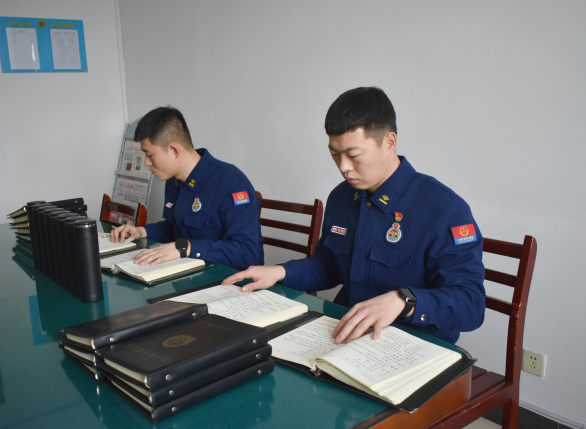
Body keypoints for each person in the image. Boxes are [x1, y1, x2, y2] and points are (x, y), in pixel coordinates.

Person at [224, 87, 485, 344]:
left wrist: (404, 301)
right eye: (334, 155)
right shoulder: (341, 197)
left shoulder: (443, 208)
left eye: (353, 155)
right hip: (346, 331)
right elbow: (328, 266)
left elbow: (471, 305)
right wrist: (280, 272)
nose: (344, 167)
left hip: (414, 342)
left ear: (389, 142)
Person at [110, 106, 264, 270]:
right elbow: (178, 229)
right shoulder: (174, 180)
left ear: (174, 150)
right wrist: (142, 231)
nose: (147, 162)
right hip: (189, 273)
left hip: (227, 279)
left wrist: (186, 248)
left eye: (150, 155)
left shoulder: (232, 183)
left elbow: (248, 253)